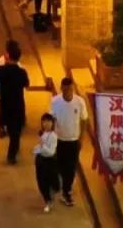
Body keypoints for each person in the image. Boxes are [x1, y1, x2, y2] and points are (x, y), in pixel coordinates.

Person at [49, 77, 88, 207]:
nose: (68, 92)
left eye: (70, 89)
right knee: (59, 165)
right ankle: (57, 184)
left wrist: (81, 138)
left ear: (73, 89)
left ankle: (67, 192)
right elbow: (51, 120)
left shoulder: (80, 102)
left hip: (73, 141)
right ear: (61, 89)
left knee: (71, 168)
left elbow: (84, 119)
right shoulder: (55, 101)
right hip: (59, 140)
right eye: (65, 90)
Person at [0, 40, 30, 164]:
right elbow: (26, 85)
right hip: (18, 105)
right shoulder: (22, 72)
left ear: (7, 55)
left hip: (5, 104)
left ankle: (2, 129)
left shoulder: (0, 70)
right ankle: (12, 154)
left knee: (6, 123)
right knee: (15, 134)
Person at [33, 112, 60, 212]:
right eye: (44, 121)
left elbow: (51, 152)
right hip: (41, 160)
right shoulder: (43, 134)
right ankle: (47, 199)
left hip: (49, 162)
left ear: (52, 123)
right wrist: (36, 150)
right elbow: (40, 147)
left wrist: (42, 146)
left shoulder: (53, 136)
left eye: (48, 121)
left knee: (47, 181)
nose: (46, 123)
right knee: (41, 181)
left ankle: (48, 200)